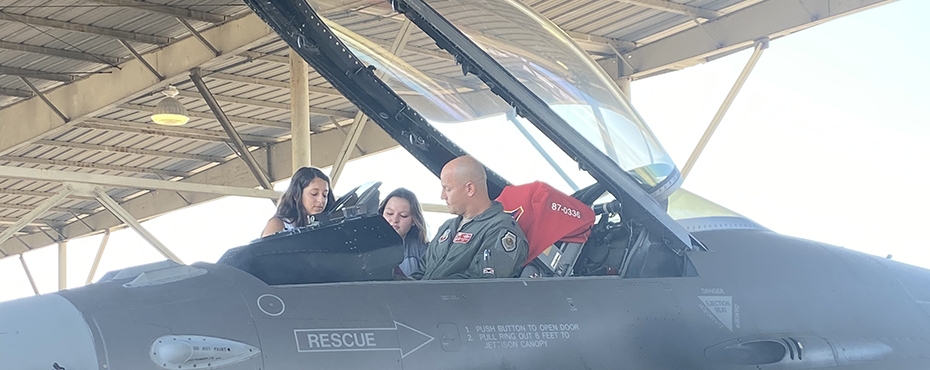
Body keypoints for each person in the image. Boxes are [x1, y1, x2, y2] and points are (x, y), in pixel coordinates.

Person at [412, 156, 528, 279]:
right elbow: (422, 270)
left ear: (469, 189)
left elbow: (478, 285)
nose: (442, 196)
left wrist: (425, 292)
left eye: (448, 189)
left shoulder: (500, 229)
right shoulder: (447, 227)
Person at [261, 167, 336, 237]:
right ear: (296, 196)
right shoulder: (278, 224)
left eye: (325, 195)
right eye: (314, 193)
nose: (321, 200)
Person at [379, 188, 429, 278]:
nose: (394, 220)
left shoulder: (422, 249)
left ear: (414, 220)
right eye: (389, 213)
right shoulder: (366, 246)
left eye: (403, 215)